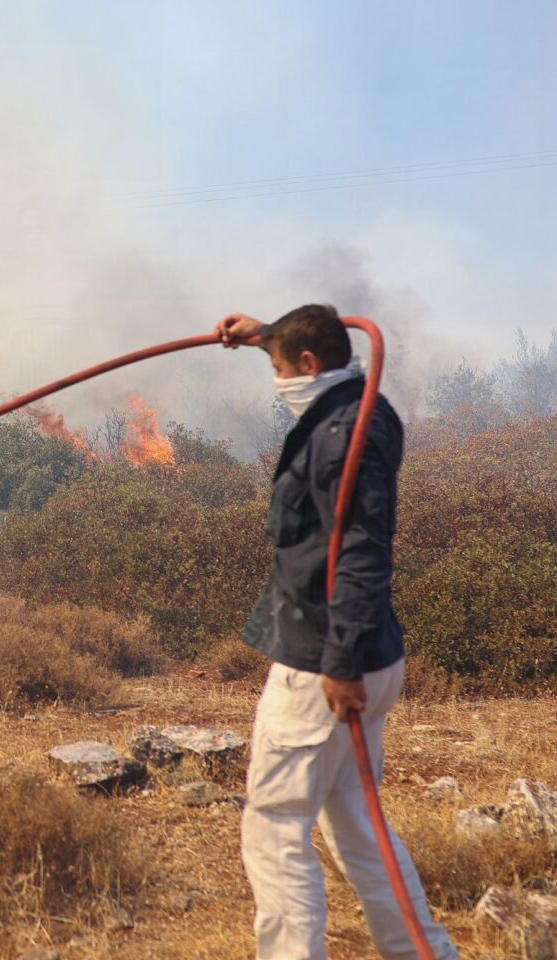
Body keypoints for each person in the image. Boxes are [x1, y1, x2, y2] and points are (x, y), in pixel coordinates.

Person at [215, 305, 457, 960]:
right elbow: (308, 340)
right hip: (366, 653)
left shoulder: (341, 438)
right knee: (355, 820)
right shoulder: (361, 404)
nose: (275, 377)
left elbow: (360, 554)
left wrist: (339, 662)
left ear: (308, 367)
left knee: (275, 823)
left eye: (277, 365)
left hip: (326, 661)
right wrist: (266, 334)